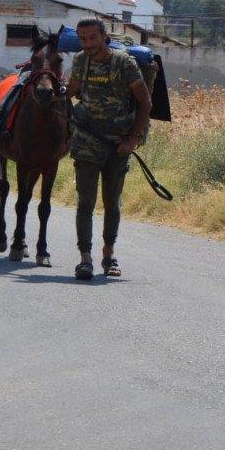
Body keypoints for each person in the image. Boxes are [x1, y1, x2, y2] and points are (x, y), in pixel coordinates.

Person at [64, 18, 152, 281]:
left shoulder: (125, 63)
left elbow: (144, 103)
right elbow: (72, 91)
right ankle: (85, 259)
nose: (88, 43)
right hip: (87, 142)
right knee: (85, 202)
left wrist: (132, 139)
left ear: (104, 36)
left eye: (92, 37)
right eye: (82, 39)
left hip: (117, 145)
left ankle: (108, 254)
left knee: (112, 203)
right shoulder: (80, 61)